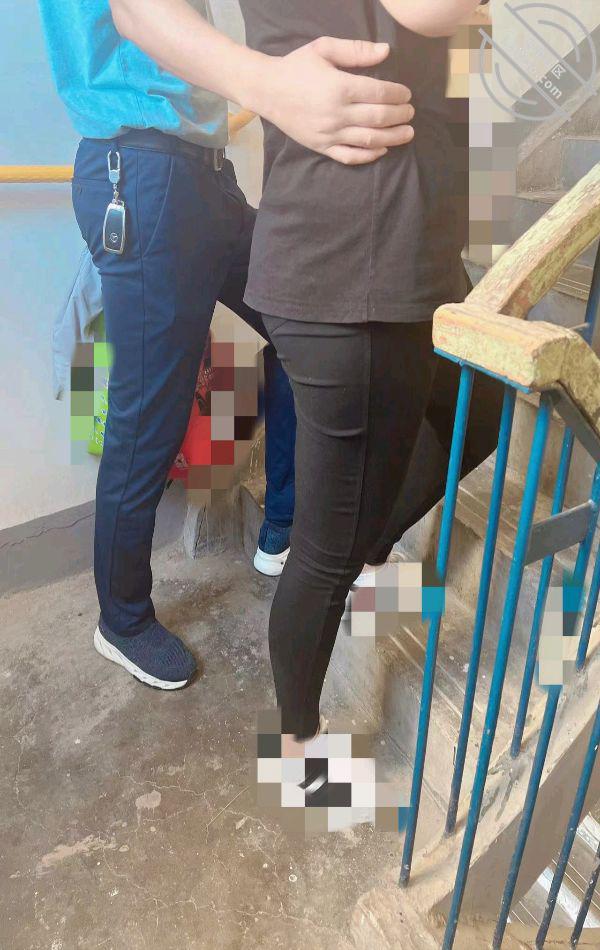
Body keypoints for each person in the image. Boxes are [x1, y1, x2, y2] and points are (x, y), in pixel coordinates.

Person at [37, 0, 417, 690]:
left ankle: (282, 526)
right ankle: (121, 621)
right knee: (145, 420)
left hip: (205, 174)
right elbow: (137, 12)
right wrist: (274, 86)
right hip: (142, 171)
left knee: (307, 330)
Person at [235, 0, 493, 767]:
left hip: (406, 255)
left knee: (480, 409)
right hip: (360, 270)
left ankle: (372, 550)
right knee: (325, 552)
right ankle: (298, 748)